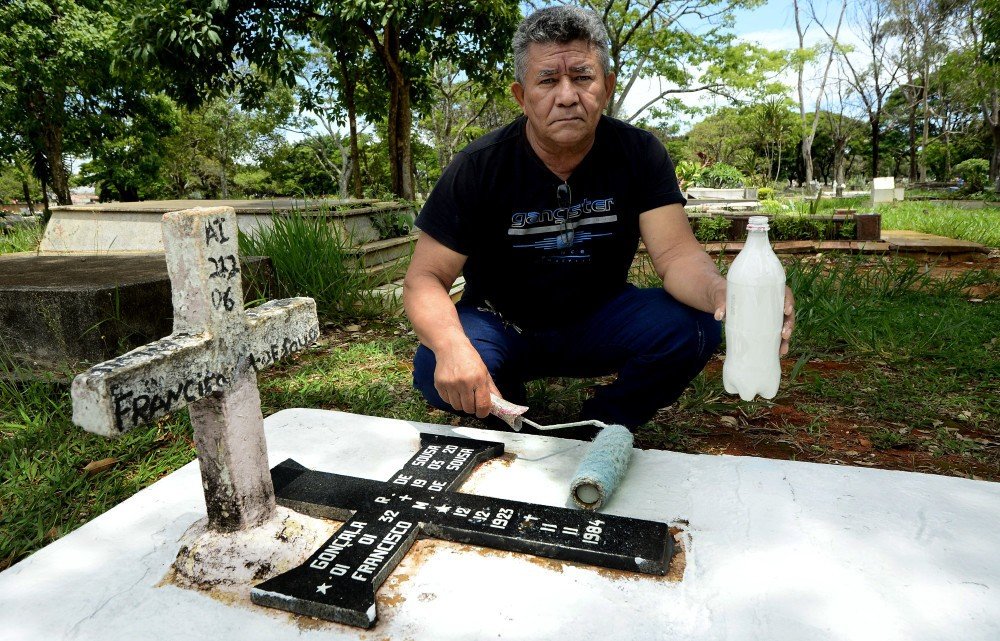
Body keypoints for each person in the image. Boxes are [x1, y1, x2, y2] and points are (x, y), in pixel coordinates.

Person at [403, 6, 794, 431]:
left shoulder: (639, 153)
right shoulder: (479, 165)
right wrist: (452, 346)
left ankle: (605, 421)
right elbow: (425, 279)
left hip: (602, 319)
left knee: (693, 326)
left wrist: (725, 294)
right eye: (548, 80)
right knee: (434, 364)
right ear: (521, 96)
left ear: (606, 87)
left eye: (583, 77)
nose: (567, 95)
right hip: (503, 324)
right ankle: (507, 409)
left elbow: (677, 255)